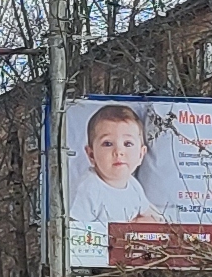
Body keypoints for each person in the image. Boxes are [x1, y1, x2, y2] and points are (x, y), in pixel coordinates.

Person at [67, 103, 158, 260]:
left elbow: (151, 214)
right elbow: (75, 235)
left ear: (141, 154)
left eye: (128, 144)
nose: (119, 151)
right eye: (108, 144)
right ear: (91, 155)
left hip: (129, 257)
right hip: (99, 261)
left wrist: (150, 222)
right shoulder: (88, 188)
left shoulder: (134, 186)